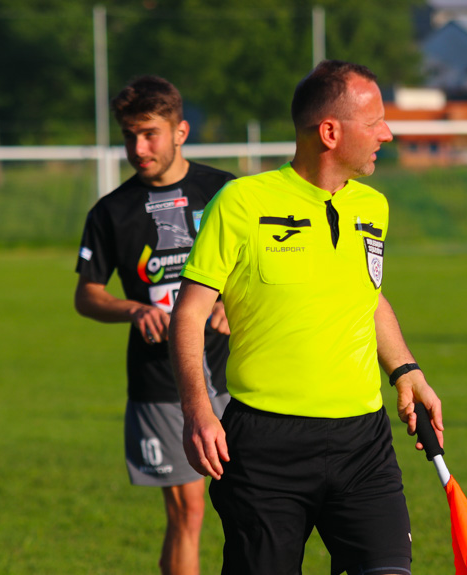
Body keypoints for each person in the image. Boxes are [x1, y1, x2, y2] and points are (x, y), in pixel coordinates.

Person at [169, 60, 444, 575]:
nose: (388, 132)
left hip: (364, 443)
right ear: (330, 132)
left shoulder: (374, 207)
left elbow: (367, 297)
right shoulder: (242, 203)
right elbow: (189, 312)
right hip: (263, 448)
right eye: (375, 122)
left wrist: (406, 370)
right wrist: (197, 409)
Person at [74, 75, 234, 575]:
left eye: (149, 134)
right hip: (162, 383)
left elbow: (262, 265)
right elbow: (88, 295)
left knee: (252, 509)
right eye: (129, 136)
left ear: (180, 131)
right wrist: (133, 309)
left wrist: (234, 302)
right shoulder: (111, 212)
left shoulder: (226, 192)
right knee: (188, 512)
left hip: (242, 375)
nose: (138, 148)